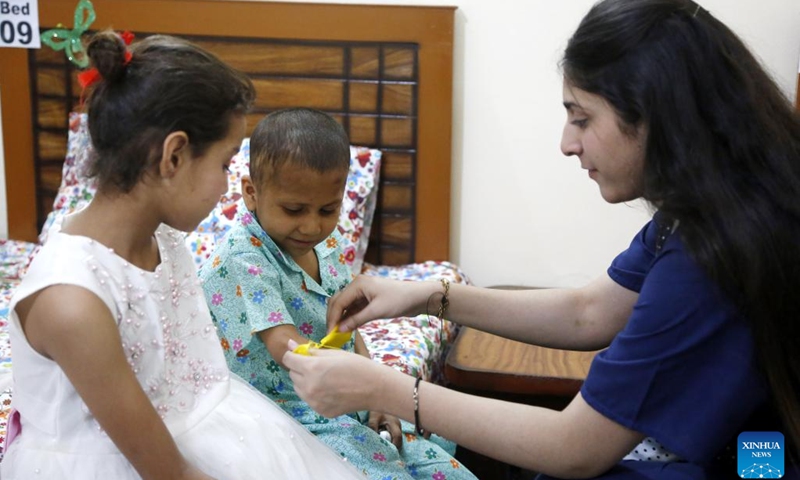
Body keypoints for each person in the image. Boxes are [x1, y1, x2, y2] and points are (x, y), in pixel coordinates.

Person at [282, 0, 800, 479]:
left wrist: (386, 388)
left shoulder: (709, 255)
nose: (566, 144)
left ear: (656, 116)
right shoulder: (708, 208)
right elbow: (589, 311)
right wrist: (430, 295)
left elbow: (575, 446)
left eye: (582, 117)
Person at [2, 32, 364, 480]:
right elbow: (166, 471)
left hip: (213, 424)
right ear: (174, 156)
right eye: (225, 163)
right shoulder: (72, 302)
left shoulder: (164, 240)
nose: (229, 183)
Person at [200, 108, 477, 480]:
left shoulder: (328, 241)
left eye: (328, 209)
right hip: (294, 408)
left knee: (445, 468)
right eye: (294, 209)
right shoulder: (243, 257)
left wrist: (376, 394)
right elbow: (281, 341)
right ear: (251, 192)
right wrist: (354, 384)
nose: (312, 225)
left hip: (344, 390)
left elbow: (348, 322)